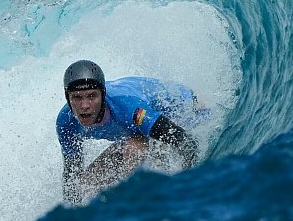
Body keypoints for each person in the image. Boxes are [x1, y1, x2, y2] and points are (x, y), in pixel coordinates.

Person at [56, 60, 204, 204]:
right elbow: (71, 175)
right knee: (85, 185)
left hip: (187, 107)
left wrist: (188, 186)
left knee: (133, 149)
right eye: (77, 97)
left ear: (103, 94)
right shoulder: (66, 122)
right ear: (67, 98)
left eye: (92, 96)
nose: (85, 105)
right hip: (139, 134)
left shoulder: (129, 109)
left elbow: (186, 142)